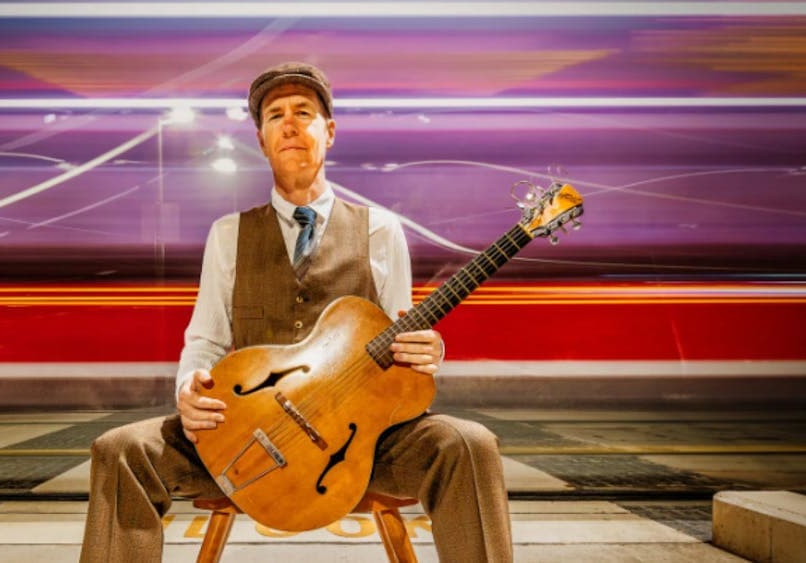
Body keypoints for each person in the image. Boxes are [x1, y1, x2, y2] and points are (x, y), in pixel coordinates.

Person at [79, 62, 513, 562]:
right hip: (244, 435)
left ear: (328, 132)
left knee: (470, 445)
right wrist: (188, 391)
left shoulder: (381, 230)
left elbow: (399, 342)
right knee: (120, 451)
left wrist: (428, 351)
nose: (290, 124)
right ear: (261, 140)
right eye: (275, 115)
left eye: (304, 113)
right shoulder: (228, 234)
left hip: (357, 450)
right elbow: (205, 342)